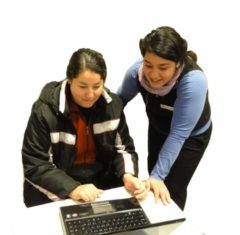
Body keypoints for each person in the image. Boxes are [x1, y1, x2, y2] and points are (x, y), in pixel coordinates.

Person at [22, 48, 148, 207]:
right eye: (82, 86)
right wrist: (72, 188)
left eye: (96, 86)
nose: (90, 94)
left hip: (99, 187)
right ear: (70, 80)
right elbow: (36, 164)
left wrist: (128, 176)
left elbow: (124, 149)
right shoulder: (44, 111)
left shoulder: (113, 106)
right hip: (55, 188)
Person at [117, 26, 212, 210]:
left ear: (177, 63)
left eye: (163, 67)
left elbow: (178, 134)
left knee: (170, 188)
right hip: (159, 128)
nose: (153, 74)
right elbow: (117, 102)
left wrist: (158, 176)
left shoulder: (193, 82)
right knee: (152, 182)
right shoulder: (136, 72)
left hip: (190, 138)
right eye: (149, 64)